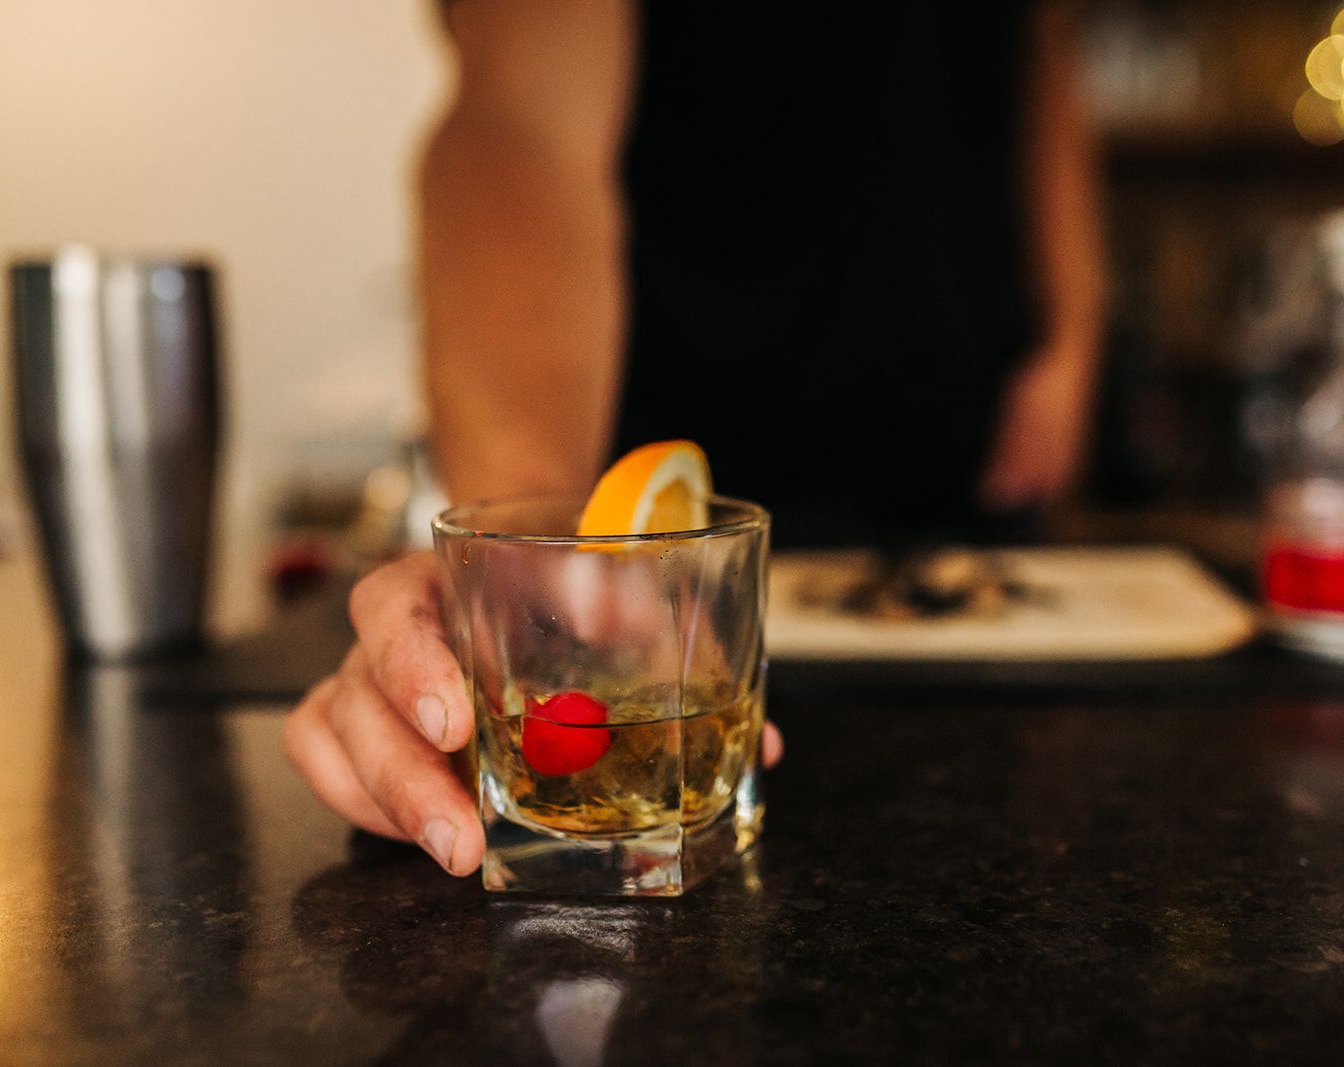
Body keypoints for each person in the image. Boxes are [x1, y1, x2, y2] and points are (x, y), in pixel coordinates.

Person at [285, 0, 1104, 875]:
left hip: (963, 486)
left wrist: (1070, 334)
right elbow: (523, 128)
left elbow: (1039, 49)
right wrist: (535, 567)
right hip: (664, 561)